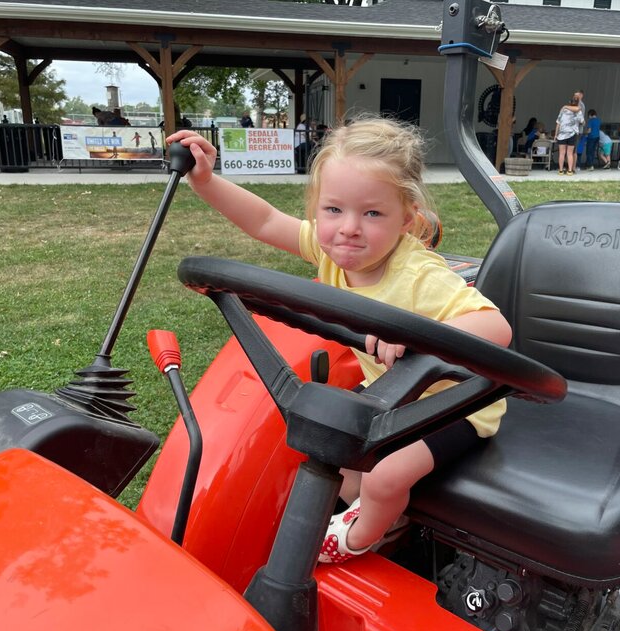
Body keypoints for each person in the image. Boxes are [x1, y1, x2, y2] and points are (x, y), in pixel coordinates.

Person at [166, 117, 512, 564]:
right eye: (334, 210)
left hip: (453, 403)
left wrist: (421, 340)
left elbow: (496, 327)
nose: (348, 227)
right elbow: (266, 220)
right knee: (335, 448)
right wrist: (208, 182)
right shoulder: (332, 250)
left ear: (406, 218)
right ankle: (374, 515)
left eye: (372, 213)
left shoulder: (419, 276)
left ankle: (365, 536)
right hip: (394, 393)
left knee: (384, 477)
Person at [554, 96, 584, 175]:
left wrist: (556, 134)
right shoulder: (578, 111)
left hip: (562, 134)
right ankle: (570, 170)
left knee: (561, 153)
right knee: (570, 153)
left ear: (569, 102)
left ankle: (560, 170)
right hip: (572, 134)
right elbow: (582, 122)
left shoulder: (563, 110)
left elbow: (558, 123)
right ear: (577, 103)